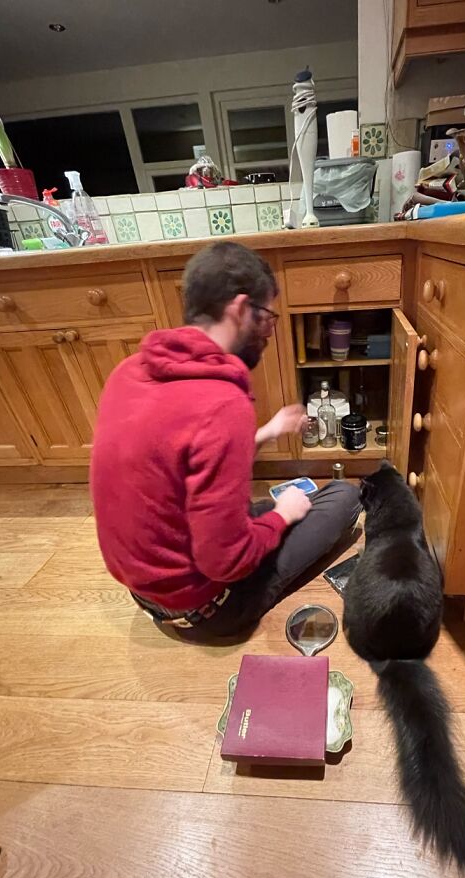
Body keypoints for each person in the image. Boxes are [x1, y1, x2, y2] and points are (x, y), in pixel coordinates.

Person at [91, 241, 360, 634]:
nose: (268, 333)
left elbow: (185, 464)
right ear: (240, 309)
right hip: (204, 607)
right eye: (267, 317)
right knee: (344, 497)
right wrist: (282, 516)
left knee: (258, 507)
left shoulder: (128, 371)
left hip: (144, 588)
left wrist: (266, 433)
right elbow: (226, 562)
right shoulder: (222, 404)